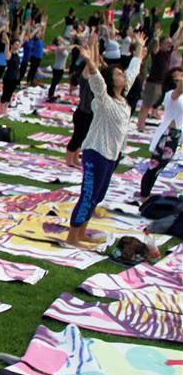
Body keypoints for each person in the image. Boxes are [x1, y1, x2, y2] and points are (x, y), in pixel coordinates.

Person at [66, 33, 144, 247]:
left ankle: (82, 232)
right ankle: (72, 238)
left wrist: (139, 47)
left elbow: (134, 70)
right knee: (88, 195)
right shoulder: (104, 99)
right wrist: (90, 61)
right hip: (96, 153)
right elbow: (97, 81)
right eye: (118, 73)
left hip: (112, 155)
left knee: (97, 197)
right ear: (112, 80)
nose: (123, 75)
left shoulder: (122, 98)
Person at [141, 69, 182, 199]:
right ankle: (144, 194)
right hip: (167, 135)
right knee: (154, 165)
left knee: (159, 166)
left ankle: (146, 192)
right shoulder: (171, 94)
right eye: (179, 76)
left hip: (175, 135)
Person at [0, 34, 22, 115]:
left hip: (15, 78)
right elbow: (6, 48)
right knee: (5, 94)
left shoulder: (17, 54)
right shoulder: (9, 55)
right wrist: (7, 42)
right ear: (12, 45)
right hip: (8, 77)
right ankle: (1, 110)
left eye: (18, 44)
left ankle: (5, 110)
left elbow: (21, 39)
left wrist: (24, 29)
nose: (18, 45)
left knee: (9, 95)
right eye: (16, 44)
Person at [48, 36, 70, 101]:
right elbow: (65, 47)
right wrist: (72, 45)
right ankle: (50, 96)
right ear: (58, 41)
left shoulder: (62, 47)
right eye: (60, 38)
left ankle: (51, 94)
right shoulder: (58, 48)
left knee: (56, 82)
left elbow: (67, 46)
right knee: (54, 82)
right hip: (57, 68)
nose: (62, 39)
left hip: (61, 68)